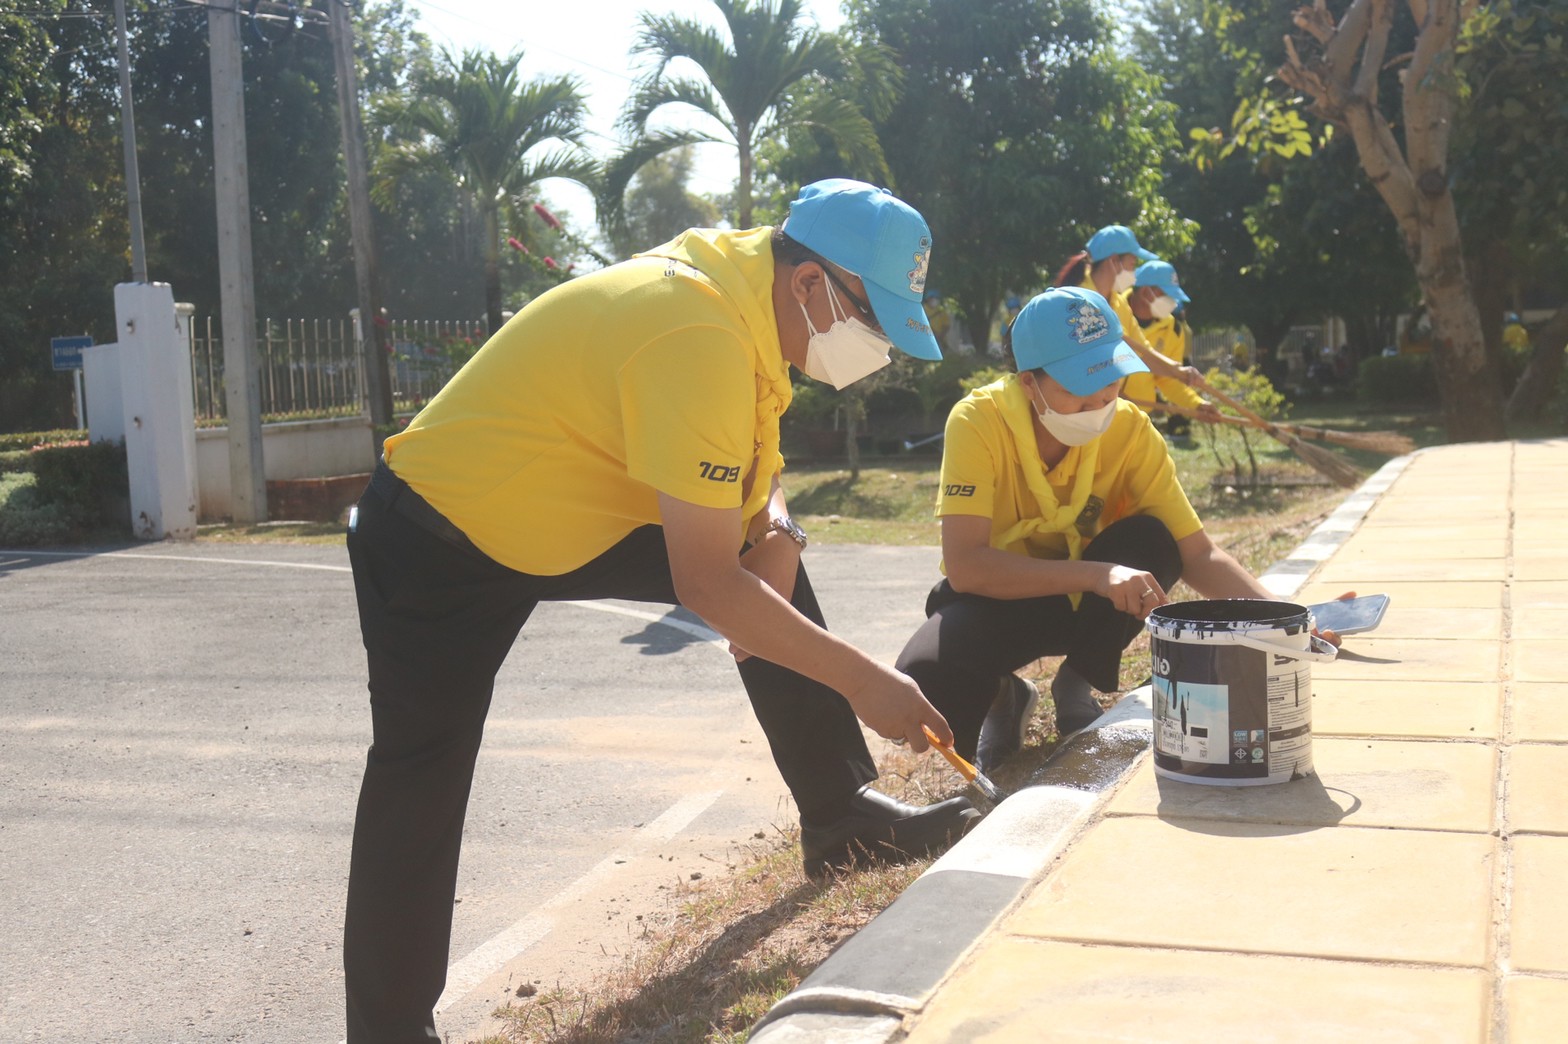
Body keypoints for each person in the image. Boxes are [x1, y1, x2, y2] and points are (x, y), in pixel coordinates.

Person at [343, 178, 981, 1043]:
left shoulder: (750, 303)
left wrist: (777, 528)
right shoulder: (697, 326)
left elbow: (752, 466)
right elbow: (708, 586)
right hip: (439, 536)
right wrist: (866, 681)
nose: (878, 348)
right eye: (873, 320)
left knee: (770, 569)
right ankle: (388, 1031)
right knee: (422, 767)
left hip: (567, 510)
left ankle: (840, 815)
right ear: (810, 283)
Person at [893, 286, 1292, 773]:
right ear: (1029, 383)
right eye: (1078, 391)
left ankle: (1078, 679)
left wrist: (1286, 623)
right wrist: (1097, 575)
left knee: (1151, 539)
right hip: (1004, 598)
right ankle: (1004, 695)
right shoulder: (978, 421)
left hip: (1092, 608)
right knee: (925, 675)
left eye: (1110, 383)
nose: (1100, 402)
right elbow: (967, 566)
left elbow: (1197, 553)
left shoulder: (1131, 430)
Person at [1052, 225, 1208, 396]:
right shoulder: (1076, 301)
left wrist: (1179, 372)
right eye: (1133, 264)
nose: (1134, 275)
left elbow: (1142, 353)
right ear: (1114, 261)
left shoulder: (1119, 303)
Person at [1122, 259, 1205, 440]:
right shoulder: (1111, 311)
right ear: (1146, 292)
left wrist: (1197, 405)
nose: (1173, 302)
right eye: (1168, 295)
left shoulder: (1174, 330)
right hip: (1101, 411)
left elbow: (1169, 380)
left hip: (1140, 416)